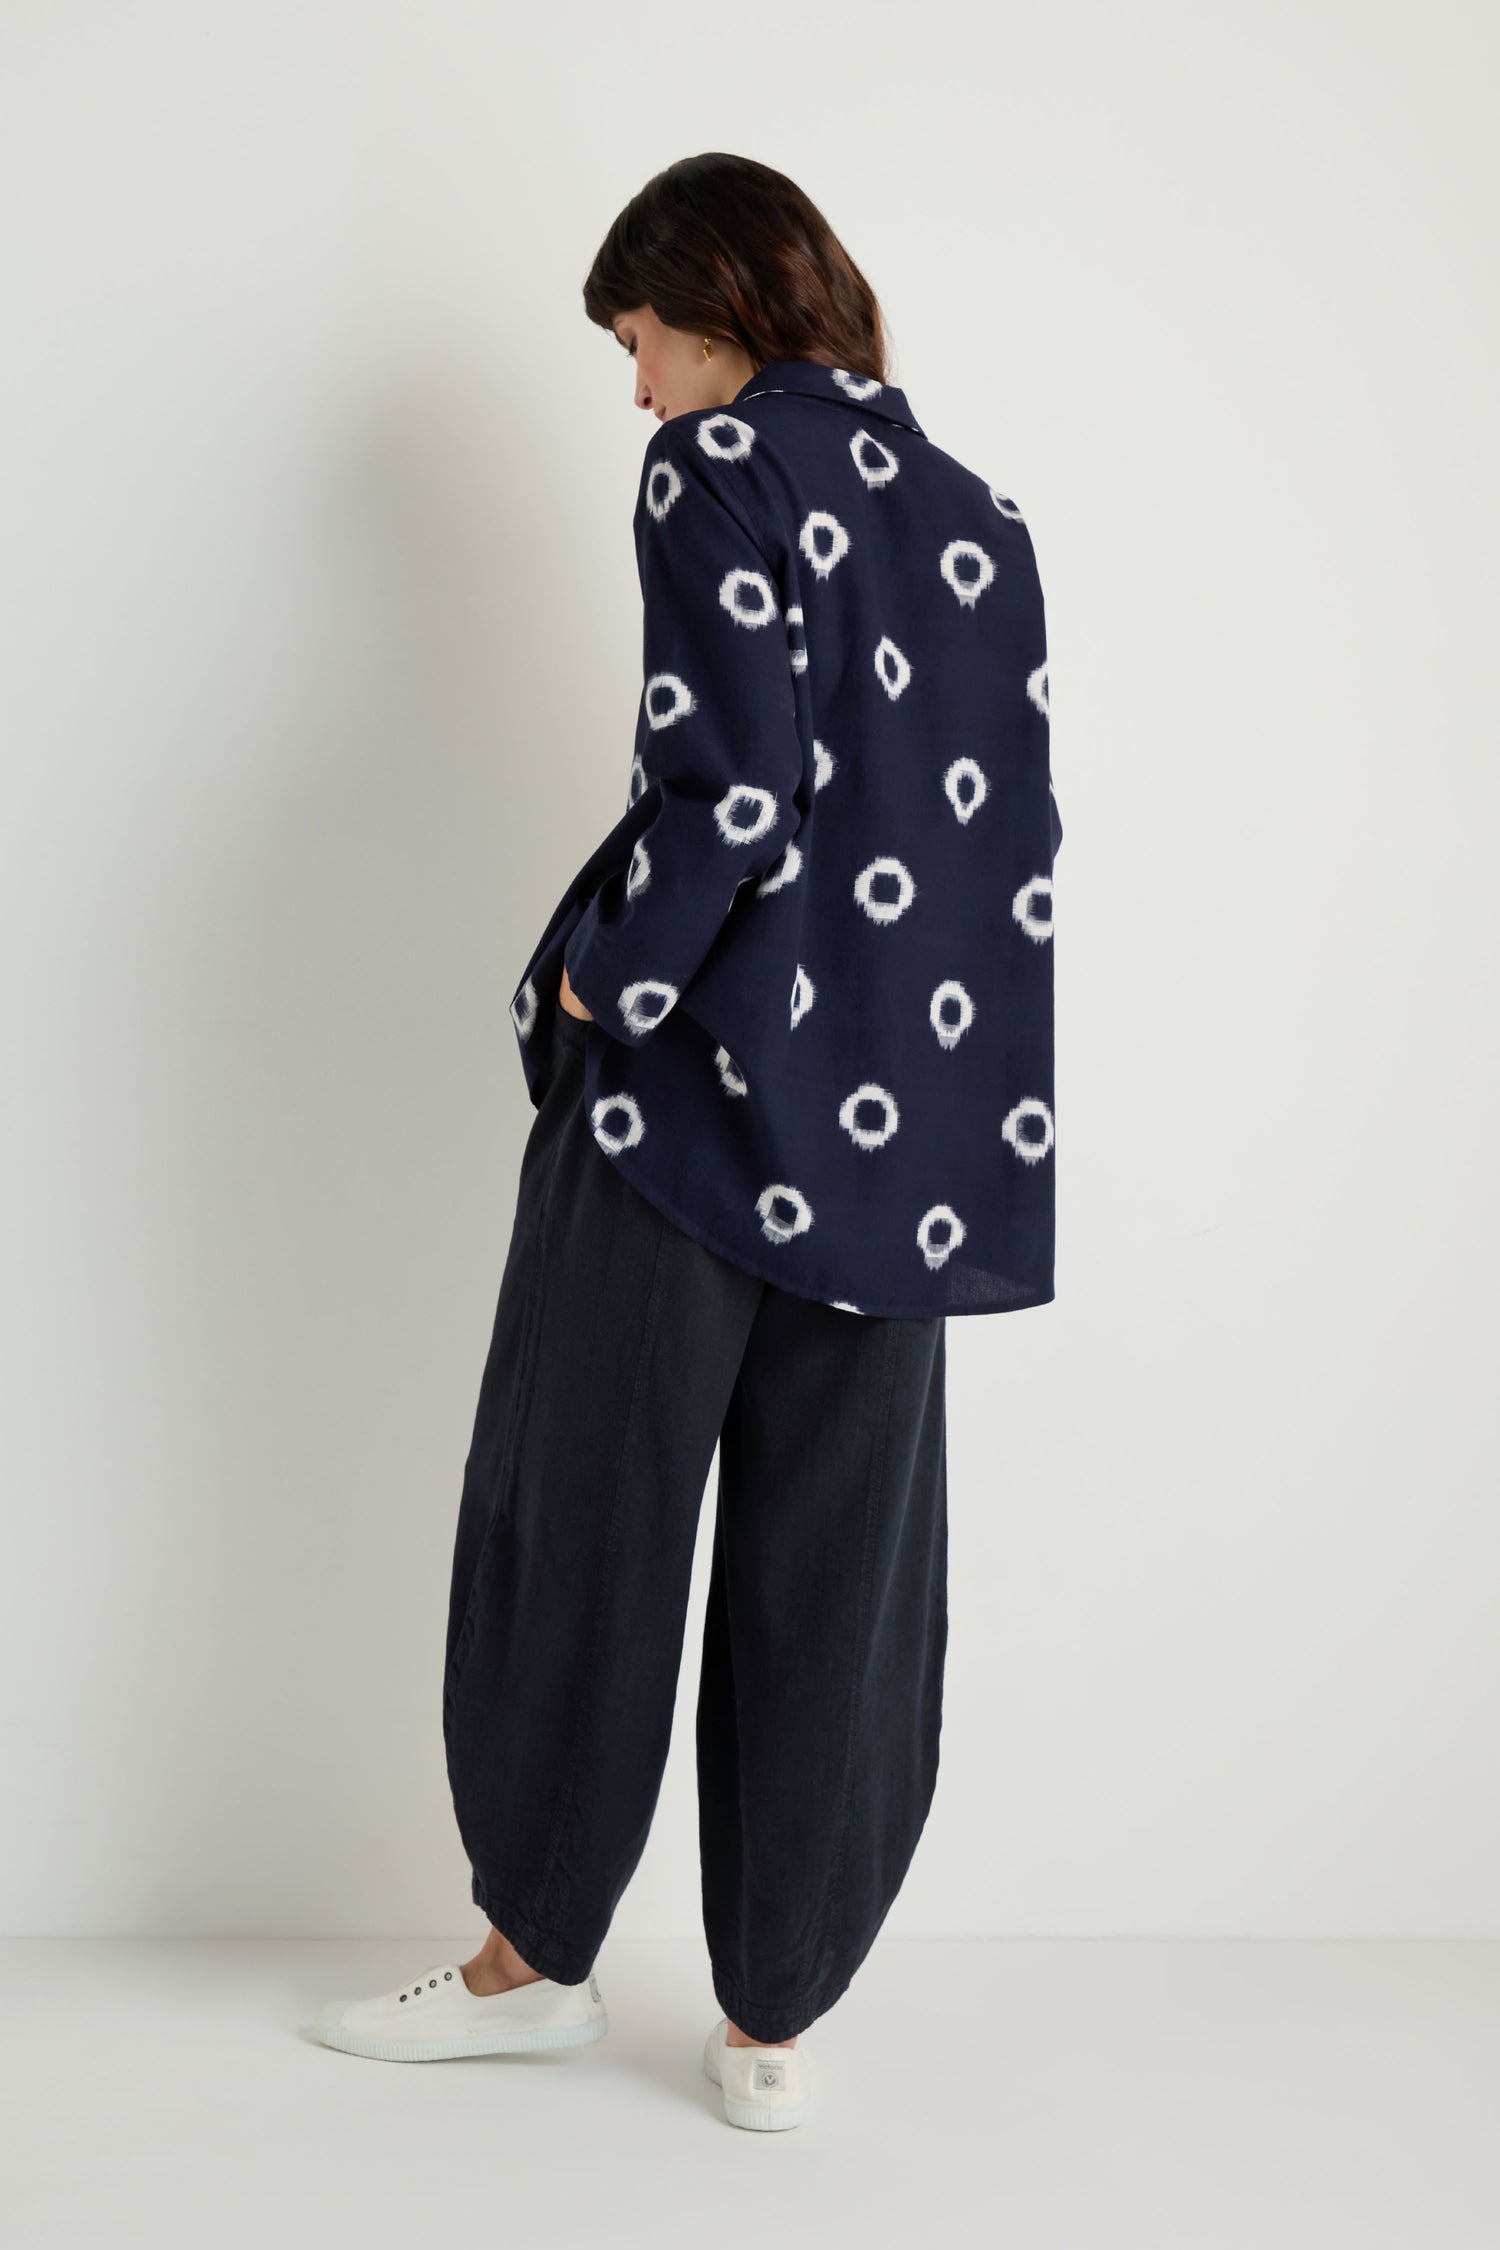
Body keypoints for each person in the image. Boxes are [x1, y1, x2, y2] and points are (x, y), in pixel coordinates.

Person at [314, 151, 1061, 2132]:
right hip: (902, 1150)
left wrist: (596, 987)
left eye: (637, 338)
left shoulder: (714, 467)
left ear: (719, 308)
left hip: (694, 1116)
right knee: (840, 1568)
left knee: (578, 1517)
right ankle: (771, 2027)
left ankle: (528, 1967)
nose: (635, 386)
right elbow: (1002, 846)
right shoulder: (981, 519)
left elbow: (729, 796)